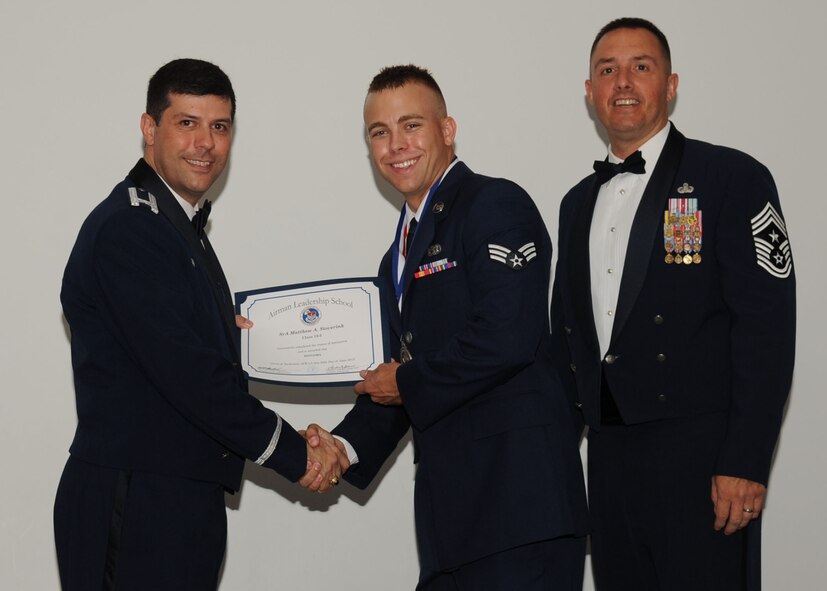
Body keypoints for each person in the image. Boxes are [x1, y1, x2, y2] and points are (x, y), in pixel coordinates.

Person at [54, 58, 348, 590]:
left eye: (220, 126)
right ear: (149, 128)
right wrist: (290, 450)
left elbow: (186, 350)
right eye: (186, 122)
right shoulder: (132, 228)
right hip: (138, 499)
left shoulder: (177, 228)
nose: (205, 144)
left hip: (176, 499)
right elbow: (188, 374)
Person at [311, 64, 588, 590]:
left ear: (447, 129)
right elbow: (395, 383)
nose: (396, 145)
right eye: (379, 132)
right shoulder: (396, 257)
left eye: (411, 125)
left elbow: (507, 335)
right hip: (452, 524)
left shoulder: (494, 204)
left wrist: (404, 382)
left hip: (520, 513)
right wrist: (339, 450)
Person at [549, 18, 795, 590]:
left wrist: (745, 460)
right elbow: (567, 338)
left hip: (704, 459)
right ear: (590, 91)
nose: (624, 82)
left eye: (642, 66)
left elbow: (767, 329)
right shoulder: (575, 203)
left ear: (671, 83)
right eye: (607, 70)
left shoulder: (732, 177)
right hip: (609, 459)